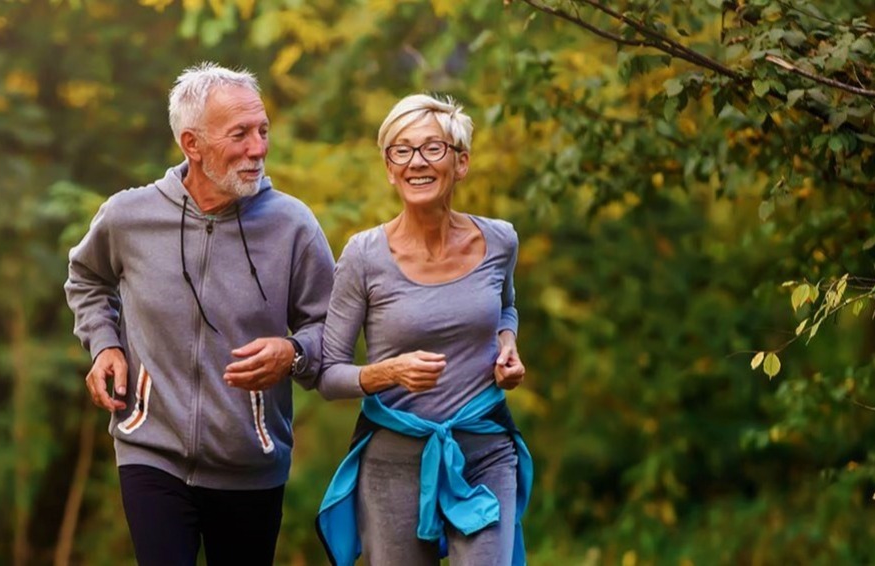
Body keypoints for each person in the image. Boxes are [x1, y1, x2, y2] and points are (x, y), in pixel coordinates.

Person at [63, 62, 335, 565]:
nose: (259, 148)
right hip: (150, 451)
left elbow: (331, 328)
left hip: (251, 462)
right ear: (192, 144)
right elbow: (87, 278)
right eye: (240, 135)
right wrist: (105, 344)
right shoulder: (130, 216)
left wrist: (294, 353)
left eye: (262, 131)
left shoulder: (293, 226)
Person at [313, 93, 533, 565]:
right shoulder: (363, 255)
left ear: (461, 162)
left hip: (485, 452)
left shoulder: (499, 240)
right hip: (393, 462)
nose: (417, 162)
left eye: (433, 148)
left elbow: (505, 309)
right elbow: (328, 376)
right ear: (389, 168)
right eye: (402, 150)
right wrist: (389, 372)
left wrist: (508, 345)